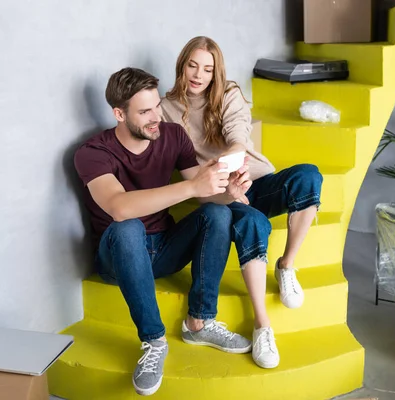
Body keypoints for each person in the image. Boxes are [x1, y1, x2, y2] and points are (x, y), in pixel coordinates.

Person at [74, 67, 255, 396]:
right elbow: (119, 207)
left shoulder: (172, 135)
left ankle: (200, 322)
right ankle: (154, 341)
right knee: (127, 227)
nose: (156, 117)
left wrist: (228, 192)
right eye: (144, 112)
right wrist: (192, 188)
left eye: (157, 106)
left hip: (165, 248)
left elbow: (202, 193)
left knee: (216, 213)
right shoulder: (92, 153)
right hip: (119, 257)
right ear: (119, 113)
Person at [161, 36, 324, 370]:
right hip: (221, 194)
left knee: (309, 176)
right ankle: (263, 326)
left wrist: (235, 163)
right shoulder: (166, 110)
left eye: (207, 68)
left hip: (256, 180)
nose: (199, 75)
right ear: (182, 65)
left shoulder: (229, 93)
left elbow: (238, 135)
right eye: (193, 65)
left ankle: (286, 265)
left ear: (215, 71)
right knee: (251, 222)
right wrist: (228, 186)